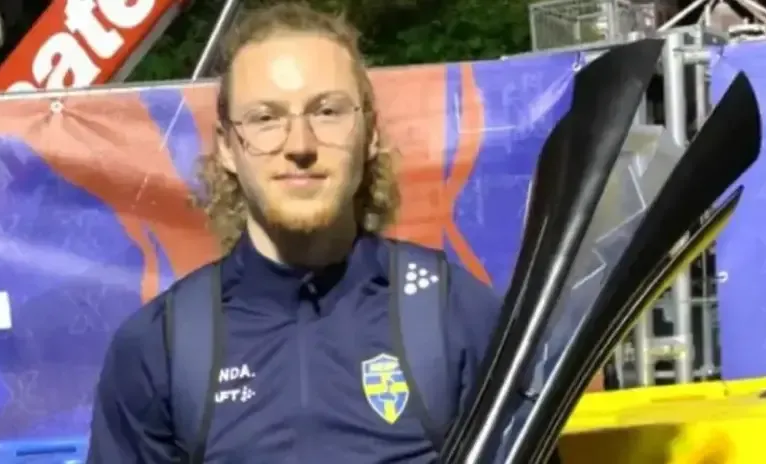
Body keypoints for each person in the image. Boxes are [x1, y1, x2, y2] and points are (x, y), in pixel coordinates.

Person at [86, 3, 506, 462]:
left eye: (327, 112)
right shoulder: (159, 349)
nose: (300, 145)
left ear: (370, 135)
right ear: (227, 147)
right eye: (265, 118)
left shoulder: (454, 315)